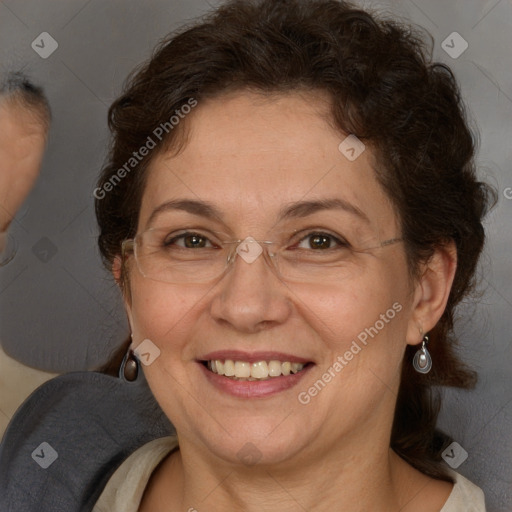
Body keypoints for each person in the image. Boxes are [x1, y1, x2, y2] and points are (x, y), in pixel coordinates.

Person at [0, 0, 496, 510]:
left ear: (425, 290)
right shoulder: (44, 463)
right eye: (192, 240)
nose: (245, 306)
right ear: (127, 286)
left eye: (319, 241)